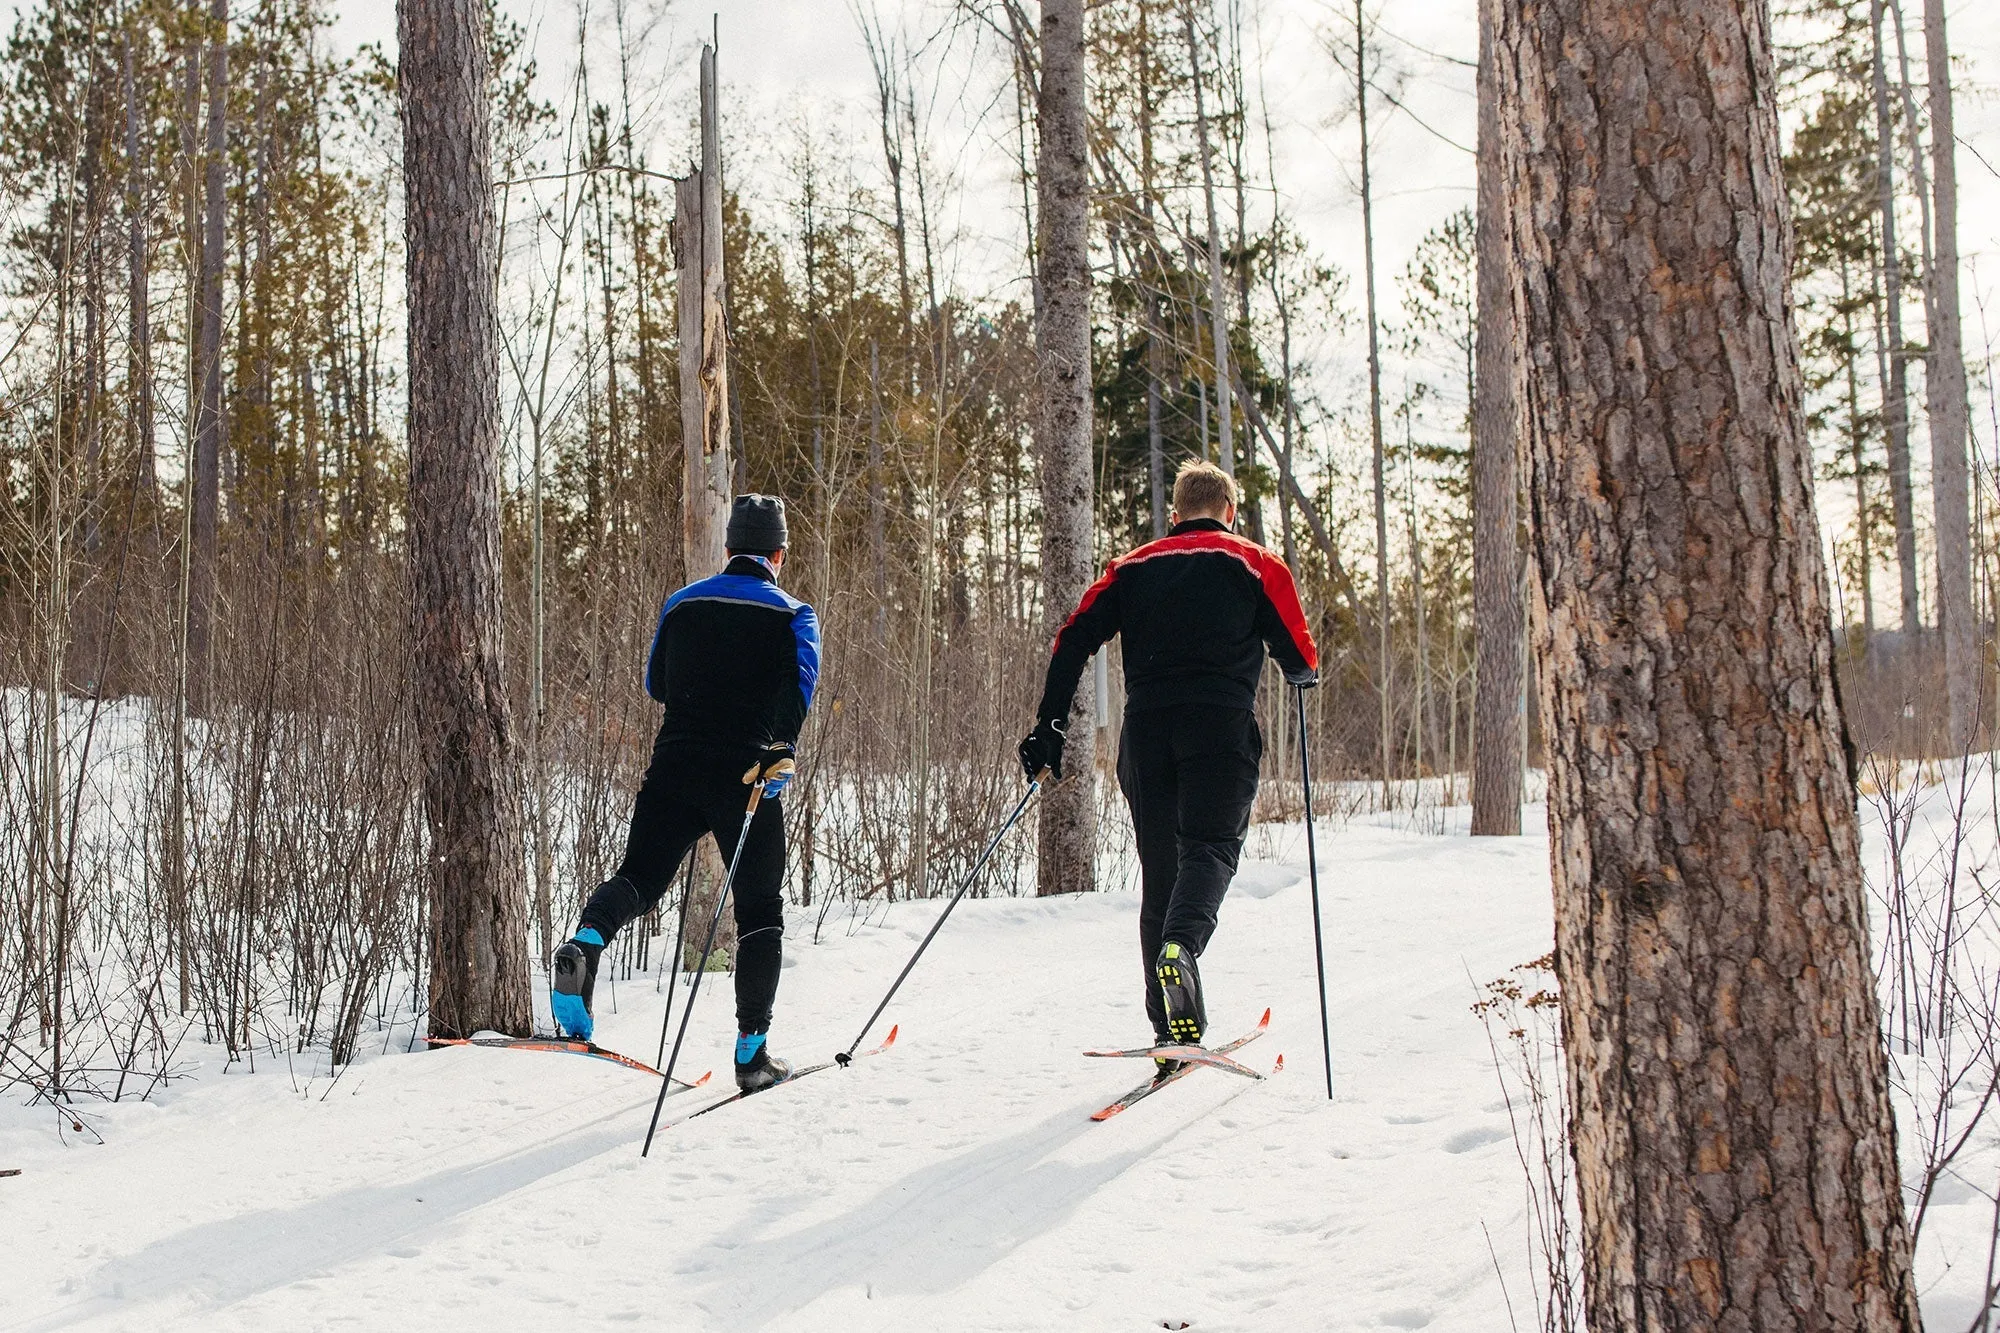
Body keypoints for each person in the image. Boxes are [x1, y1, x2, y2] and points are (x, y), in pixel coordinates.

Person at [1019, 461, 1317, 1070]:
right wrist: (1301, 673)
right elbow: (1299, 652)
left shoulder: (1131, 568)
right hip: (1219, 729)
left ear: (1175, 515)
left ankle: (1170, 1029)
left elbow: (1072, 637)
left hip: (1147, 736)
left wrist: (1050, 726)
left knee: (1161, 873)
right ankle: (1183, 946)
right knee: (1209, 850)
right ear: (1230, 512)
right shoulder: (1258, 564)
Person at [551, 494, 821, 1093]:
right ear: (779, 553)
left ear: (728, 549)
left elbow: (655, 684)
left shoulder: (681, 602)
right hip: (747, 779)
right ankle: (752, 1056)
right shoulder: (794, 614)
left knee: (640, 879)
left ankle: (586, 942)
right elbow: (798, 688)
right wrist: (779, 746)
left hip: (674, 766)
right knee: (758, 911)